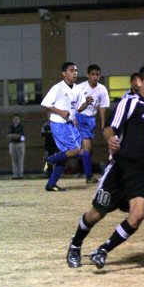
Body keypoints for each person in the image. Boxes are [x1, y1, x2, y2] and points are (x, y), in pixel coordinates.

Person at [66, 64, 144, 269]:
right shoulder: (129, 103)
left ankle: (103, 250)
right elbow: (110, 127)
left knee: (138, 215)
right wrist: (111, 139)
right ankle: (75, 245)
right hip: (121, 170)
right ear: (140, 82)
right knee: (97, 212)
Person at [41, 62, 84, 192]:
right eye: (71, 70)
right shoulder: (57, 88)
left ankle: (51, 184)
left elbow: (79, 108)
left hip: (70, 125)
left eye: (76, 70)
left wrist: (86, 104)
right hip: (59, 123)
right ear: (64, 73)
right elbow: (45, 103)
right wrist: (61, 112)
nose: (75, 73)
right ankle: (49, 159)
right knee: (77, 150)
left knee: (66, 156)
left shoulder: (77, 88)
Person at [75, 64, 110, 184]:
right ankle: (88, 176)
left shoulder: (102, 89)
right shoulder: (79, 88)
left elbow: (103, 107)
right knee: (87, 148)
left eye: (97, 74)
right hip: (81, 118)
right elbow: (73, 105)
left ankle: (54, 159)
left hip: (91, 120)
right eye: (93, 74)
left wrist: (103, 124)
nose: (95, 77)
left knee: (87, 150)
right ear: (88, 75)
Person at [7, 114, 25, 179]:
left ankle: (20, 174)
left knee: (20, 159)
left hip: (20, 144)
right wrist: (16, 135)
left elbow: (20, 135)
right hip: (12, 144)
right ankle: (15, 174)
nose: (16, 120)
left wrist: (13, 135)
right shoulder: (11, 127)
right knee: (13, 159)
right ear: (13, 120)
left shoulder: (21, 126)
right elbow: (8, 135)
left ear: (19, 120)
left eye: (17, 119)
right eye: (14, 119)